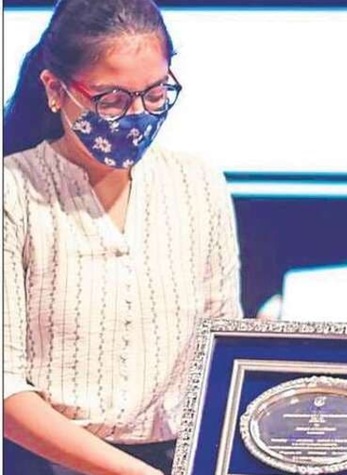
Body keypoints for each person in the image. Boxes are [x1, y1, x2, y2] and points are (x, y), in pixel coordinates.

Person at [3, 1, 242, 474]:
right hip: (47, 463)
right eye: (110, 100)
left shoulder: (198, 183)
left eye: (155, 95)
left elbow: (223, 348)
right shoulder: (14, 192)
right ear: (55, 89)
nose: (136, 116)